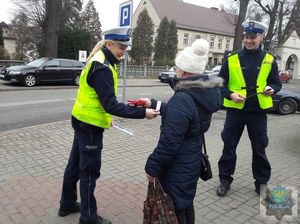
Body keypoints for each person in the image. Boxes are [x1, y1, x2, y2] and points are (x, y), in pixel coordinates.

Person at [58, 27, 159, 224]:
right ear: (109, 44)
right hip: (89, 126)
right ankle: (88, 218)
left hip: (82, 119)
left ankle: (67, 203)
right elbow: (111, 104)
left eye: (126, 47)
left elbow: (98, 100)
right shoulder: (103, 67)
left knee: (74, 166)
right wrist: (142, 113)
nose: (124, 51)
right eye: (121, 46)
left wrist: (106, 117)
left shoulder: (101, 60)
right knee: (89, 172)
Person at [144, 39, 223, 224]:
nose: (175, 70)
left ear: (185, 70)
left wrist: (152, 166)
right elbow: (188, 118)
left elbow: (170, 141)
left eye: (177, 67)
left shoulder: (183, 98)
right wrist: (154, 104)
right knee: (186, 203)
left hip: (177, 166)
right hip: (191, 161)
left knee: (174, 208)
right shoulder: (201, 93)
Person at [216, 20, 282, 197]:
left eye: (253, 37)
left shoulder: (269, 60)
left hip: (258, 112)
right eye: (246, 37)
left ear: (261, 37)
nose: (249, 40)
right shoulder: (232, 59)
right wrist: (230, 95)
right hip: (235, 111)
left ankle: (261, 183)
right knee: (229, 146)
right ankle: (224, 180)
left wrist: (273, 89)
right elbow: (219, 84)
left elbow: (276, 83)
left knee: (259, 148)